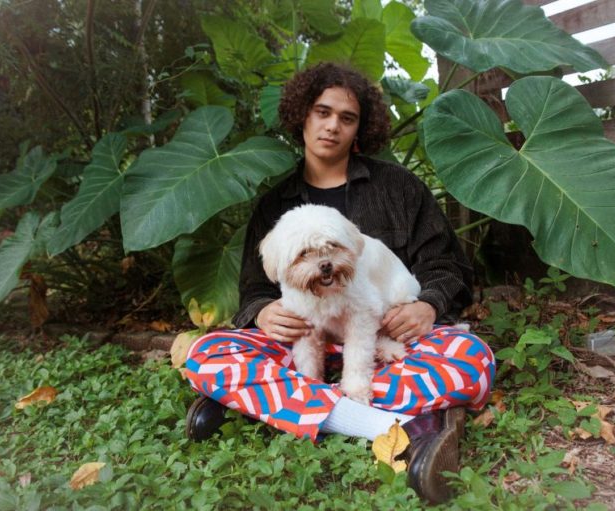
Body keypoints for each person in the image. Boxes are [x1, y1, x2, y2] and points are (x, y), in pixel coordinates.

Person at [182, 62, 495, 503]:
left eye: (347, 118)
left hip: (388, 334)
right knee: (206, 354)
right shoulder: (274, 205)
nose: (332, 126)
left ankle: (274, 406)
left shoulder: (400, 187)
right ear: (302, 116)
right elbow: (254, 289)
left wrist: (426, 305)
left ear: (360, 128)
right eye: (322, 112)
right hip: (302, 337)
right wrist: (264, 312)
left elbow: (447, 266)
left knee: (472, 357)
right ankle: (398, 424)